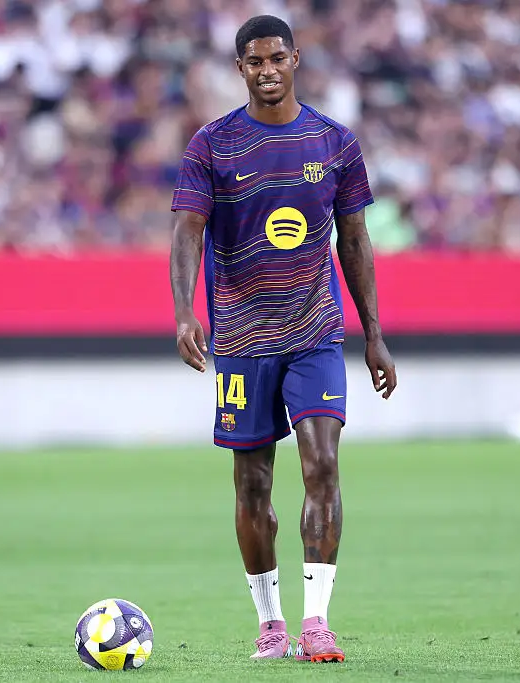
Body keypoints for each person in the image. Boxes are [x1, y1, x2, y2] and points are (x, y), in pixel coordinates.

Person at [168, 15, 397, 663]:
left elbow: (354, 239)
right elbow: (187, 229)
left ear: (295, 59)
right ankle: (270, 623)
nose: (267, 69)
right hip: (241, 339)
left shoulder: (334, 142)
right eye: (253, 61)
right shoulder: (212, 146)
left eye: (276, 57)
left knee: (322, 464)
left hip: (315, 331)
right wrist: (184, 312)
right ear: (238, 69)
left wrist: (373, 334)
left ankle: (316, 621)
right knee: (252, 488)